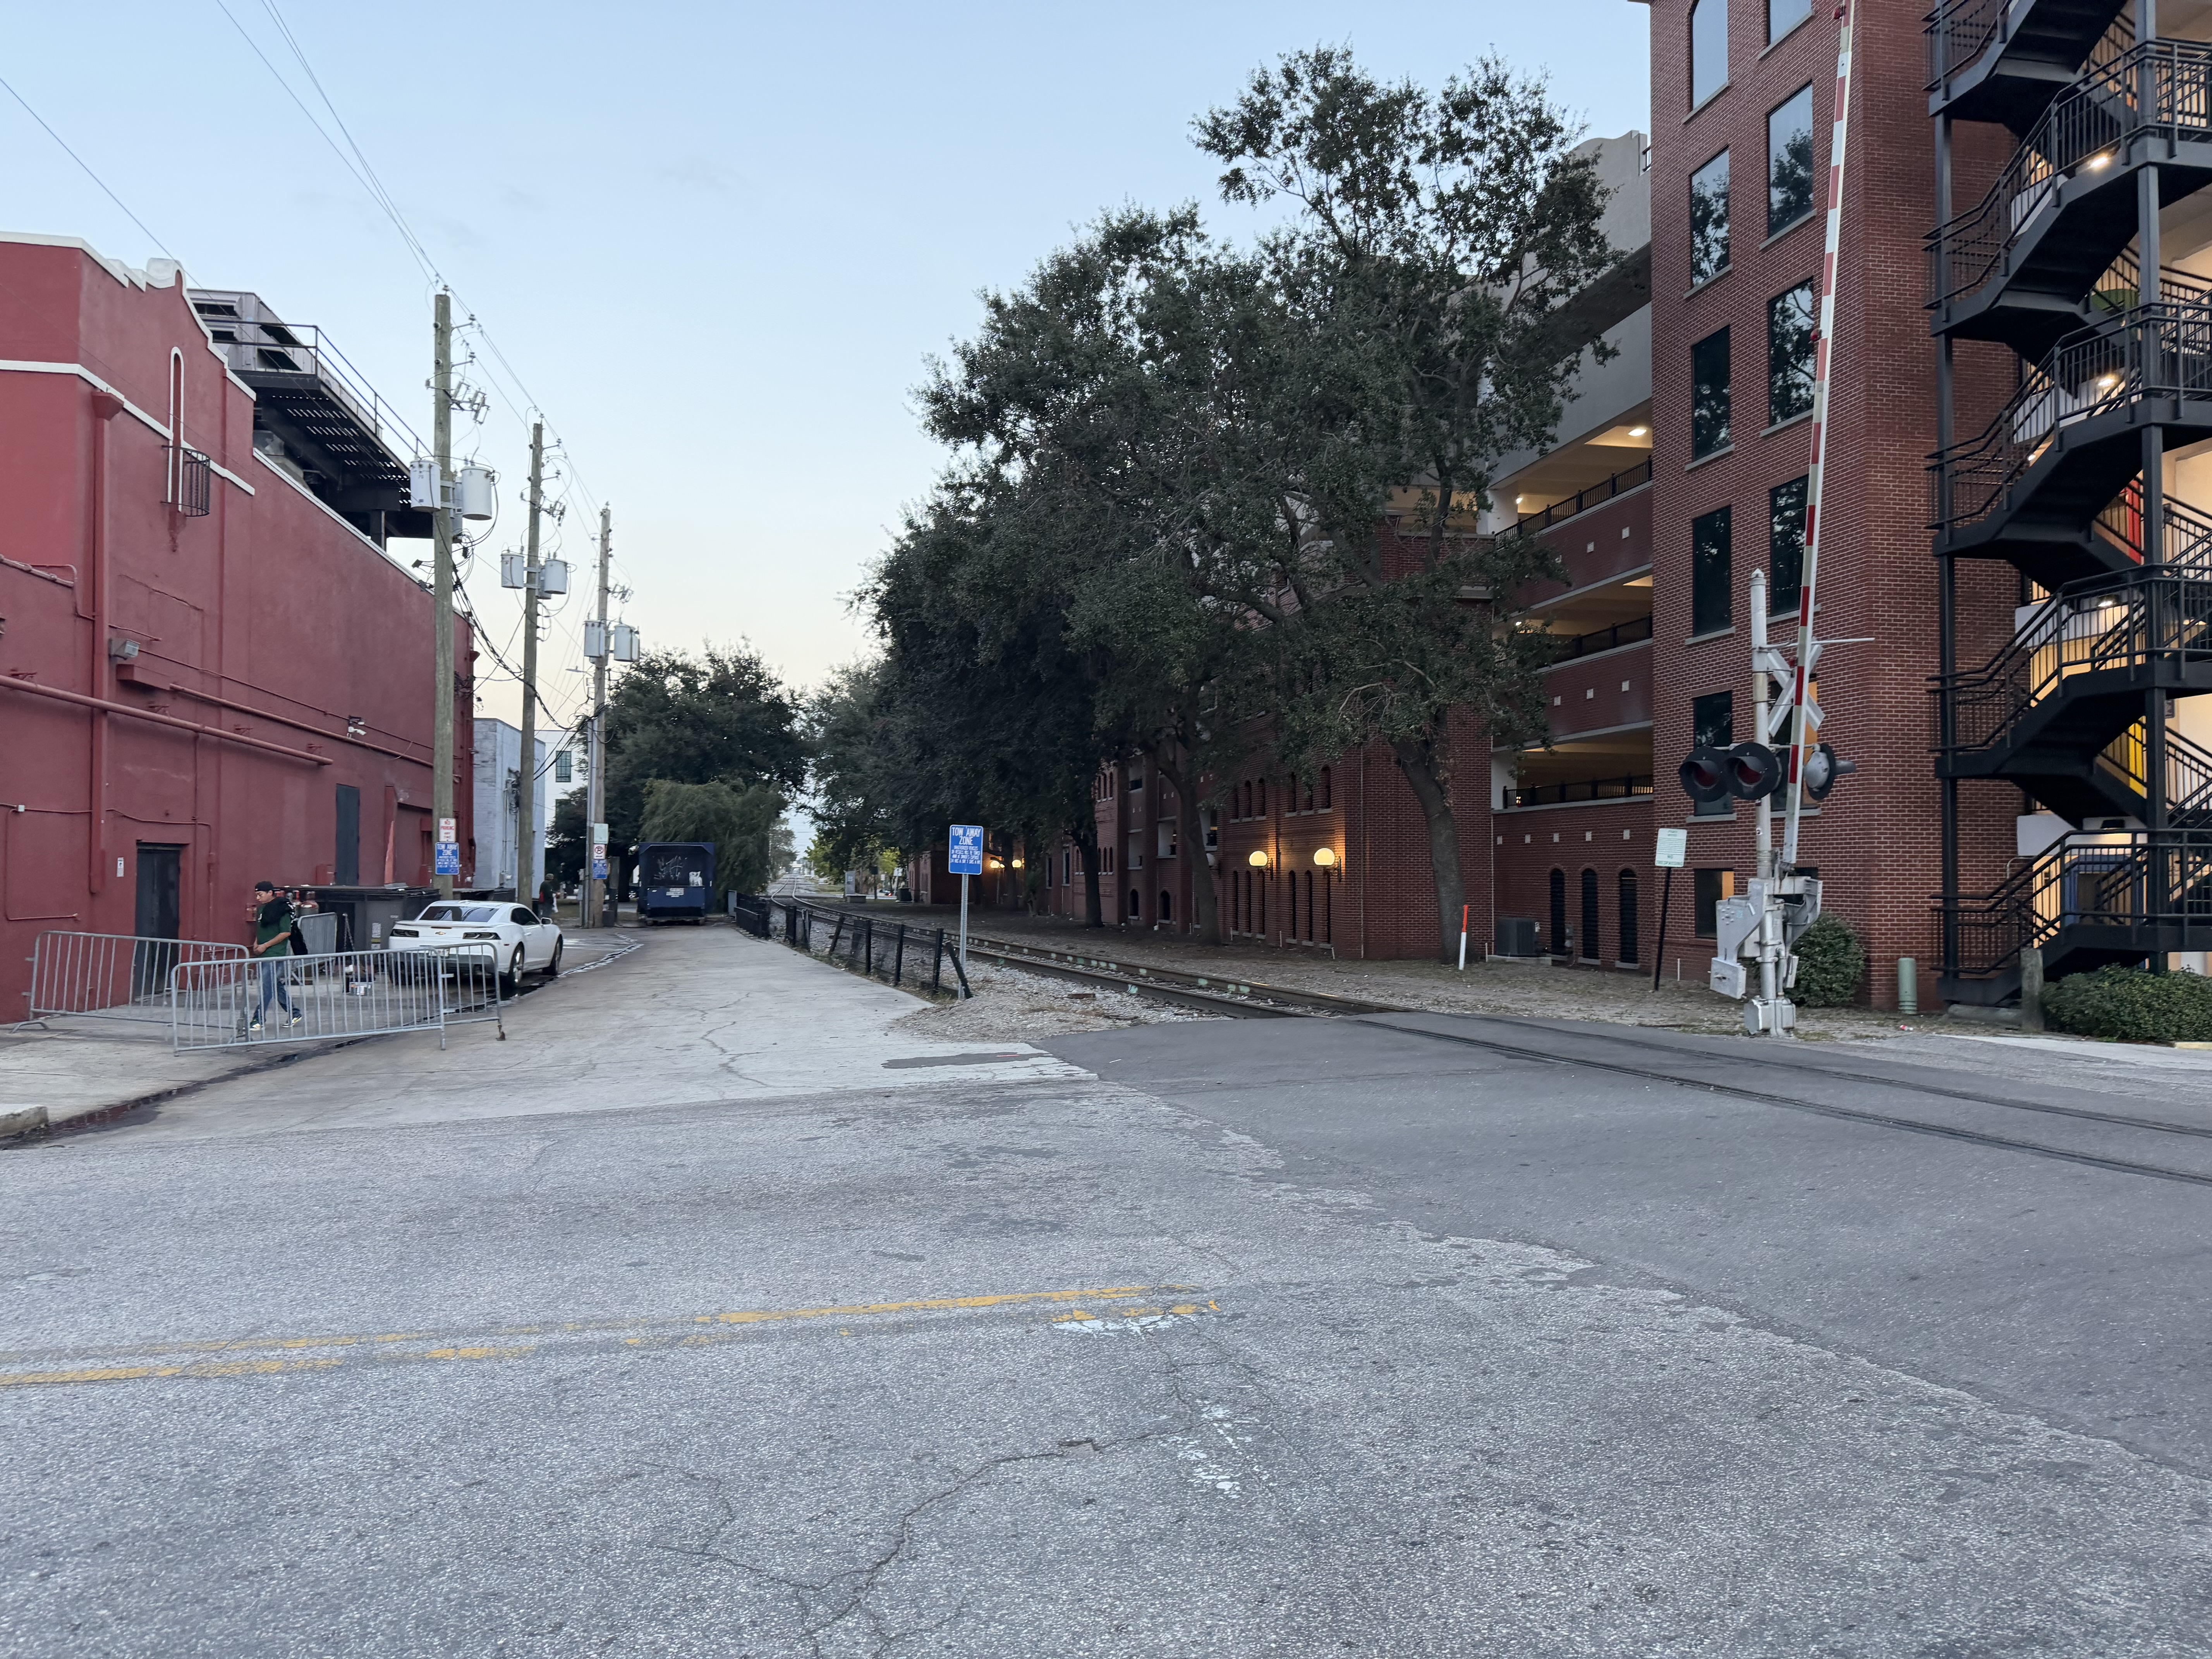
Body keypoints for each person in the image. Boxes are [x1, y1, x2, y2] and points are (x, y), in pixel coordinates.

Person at [247, 880, 301, 1034]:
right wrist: (257, 944)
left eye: (261, 895)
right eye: (257, 895)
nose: (258, 898)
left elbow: (286, 933)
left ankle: (258, 1019)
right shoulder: (262, 909)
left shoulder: (282, 909)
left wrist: (266, 945)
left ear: (271, 893)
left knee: (266, 986)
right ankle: (294, 1013)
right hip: (263, 953)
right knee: (273, 985)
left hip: (275, 954)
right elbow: (261, 929)